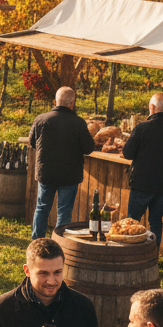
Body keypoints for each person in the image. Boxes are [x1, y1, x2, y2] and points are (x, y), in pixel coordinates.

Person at [122, 93, 163, 250]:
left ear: (151, 108)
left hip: (142, 183)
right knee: (156, 221)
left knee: (133, 220)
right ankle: (152, 256)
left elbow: (127, 153)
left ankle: (130, 254)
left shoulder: (142, 128)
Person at [28, 85, 95, 239]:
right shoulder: (78, 123)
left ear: (55, 101)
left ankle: (37, 241)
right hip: (69, 175)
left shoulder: (41, 119)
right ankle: (58, 244)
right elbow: (88, 148)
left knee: (41, 208)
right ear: (72, 103)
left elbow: (32, 143)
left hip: (46, 172)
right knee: (64, 212)